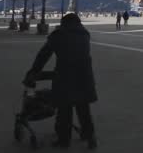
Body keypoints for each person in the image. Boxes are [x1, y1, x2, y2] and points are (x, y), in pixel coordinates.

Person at [24, 13, 97, 149]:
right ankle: (90, 137)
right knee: (83, 109)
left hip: (65, 76)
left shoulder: (59, 34)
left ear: (64, 23)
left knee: (64, 110)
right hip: (84, 77)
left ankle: (64, 140)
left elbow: (43, 55)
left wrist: (33, 72)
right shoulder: (85, 33)